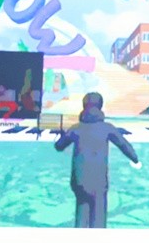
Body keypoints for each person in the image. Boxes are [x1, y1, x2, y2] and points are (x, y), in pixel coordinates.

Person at [54, 92, 140, 228]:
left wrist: (63, 135)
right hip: (99, 180)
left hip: (79, 180)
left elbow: (59, 146)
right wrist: (135, 160)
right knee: (98, 218)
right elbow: (124, 146)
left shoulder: (76, 128)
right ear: (100, 106)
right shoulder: (107, 128)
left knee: (81, 214)